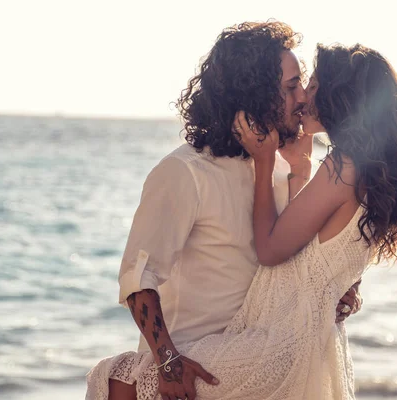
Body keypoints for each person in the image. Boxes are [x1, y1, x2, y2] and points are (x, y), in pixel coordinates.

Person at [85, 22, 366, 400]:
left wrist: (341, 291)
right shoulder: (185, 172)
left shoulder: (283, 170)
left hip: (266, 374)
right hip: (193, 377)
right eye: (289, 87)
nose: (302, 98)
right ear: (253, 94)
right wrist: (168, 363)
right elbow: (138, 279)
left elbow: (303, 265)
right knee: (110, 379)